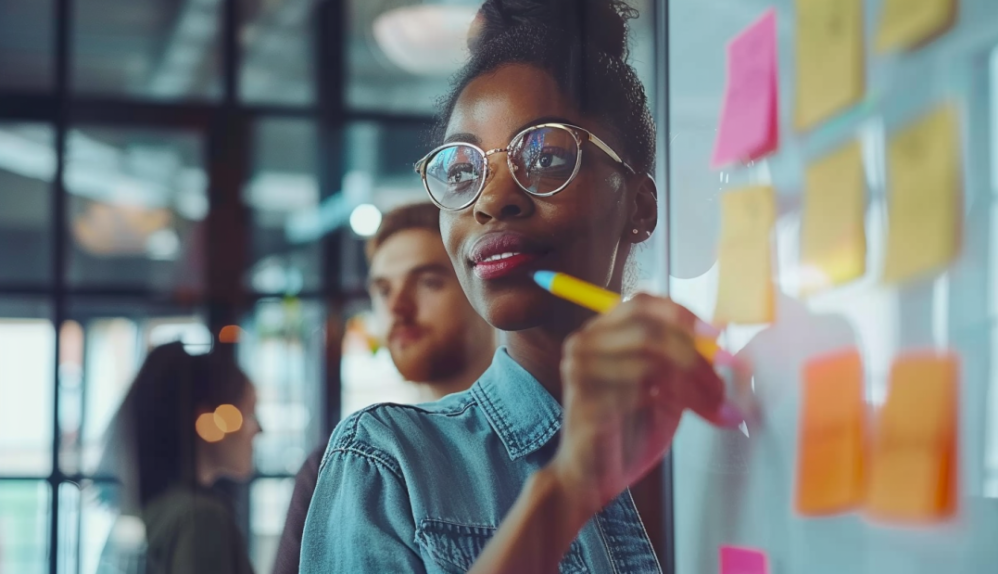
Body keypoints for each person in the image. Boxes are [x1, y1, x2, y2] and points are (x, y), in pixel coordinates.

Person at [299, 1, 743, 572]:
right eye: (462, 171)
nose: (491, 200)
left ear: (640, 206)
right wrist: (568, 486)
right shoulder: (389, 463)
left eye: (546, 156)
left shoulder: (727, 443)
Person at [271, 202, 496, 574]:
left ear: (484, 286)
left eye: (428, 282)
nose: (398, 308)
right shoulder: (342, 466)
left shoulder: (557, 450)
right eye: (383, 289)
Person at [96, 342, 261, 574]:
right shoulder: (201, 520)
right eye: (249, 412)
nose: (259, 429)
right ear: (208, 422)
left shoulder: (142, 515)